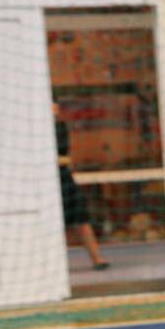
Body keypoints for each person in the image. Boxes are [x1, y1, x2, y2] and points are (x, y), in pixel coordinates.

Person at [54, 101, 110, 270]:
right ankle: (55, 264)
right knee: (54, 222)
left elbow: (62, 151)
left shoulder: (59, 127)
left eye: (54, 105)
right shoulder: (34, 129)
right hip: (46, 179)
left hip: (63, 177)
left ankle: (97, 258)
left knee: (81, 218)